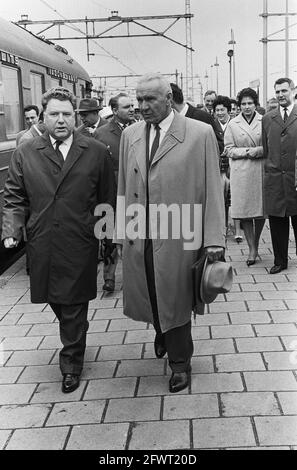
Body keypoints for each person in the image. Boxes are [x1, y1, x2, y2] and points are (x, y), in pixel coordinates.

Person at [115, 73, 225, 393]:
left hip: (180, 233)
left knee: (176, 297)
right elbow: (124, 185)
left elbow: (213, 190)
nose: (142, 106)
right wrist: (121, 233)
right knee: (151, 290)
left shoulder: (199, 133)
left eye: (150, 99)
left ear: (168, 98)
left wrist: (214, 239)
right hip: (141, 234)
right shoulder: (131, 134)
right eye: (138, 100)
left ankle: (180, 362)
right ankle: (161, 331)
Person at [1, 86, 116, 393]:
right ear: (43, 117)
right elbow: (13, 195)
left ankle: (71, 363)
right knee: (56, 299)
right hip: (43, 240)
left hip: (80, 239)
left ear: (74, 116)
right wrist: (12, 230)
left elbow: (106, 198)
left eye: (67, 114)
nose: (61, 120)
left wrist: (108, 238)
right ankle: (76, 330)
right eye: (54, 114)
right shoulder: (26, 152)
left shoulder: (94, 151)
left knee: (73, 303)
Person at [96, 93, 135, 292]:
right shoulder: (102, 134)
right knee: (109, 235)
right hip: (110, 193)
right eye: (126, 107)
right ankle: (109, 277)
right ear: (114, 110)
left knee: (134, 234)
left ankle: (134, 276)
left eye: (132, 106)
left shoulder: (141, 129)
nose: (132, 109)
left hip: (135, 192)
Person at [224, 87, 265, 265]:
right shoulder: (233, 124)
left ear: (256, 104)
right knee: (245, 212)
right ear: (239, 106)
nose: (247, 107)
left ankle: (255, 243)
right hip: (241, 171)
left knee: (261, 211)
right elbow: (228, 149)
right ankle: (252, 248)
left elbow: (269, 145)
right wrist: (249, 151)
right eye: (243, 104)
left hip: (260, 169)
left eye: (250, 103)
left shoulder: (265, 121)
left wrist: (258, 151)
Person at [262, 77, 297, 274]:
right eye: (277, 92)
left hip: (295, 178)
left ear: (292, 91)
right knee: (277, 222)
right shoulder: (268, 118)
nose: (281, 95)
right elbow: (267, 150)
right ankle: (280, 260)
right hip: (275, 178)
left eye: (284, 91)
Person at [170, 82, 224, 154]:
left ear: (170, 100)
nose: (210, 103)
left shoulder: (203, 117)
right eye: (208, 101)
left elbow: (218, 146)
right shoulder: (169, 121)